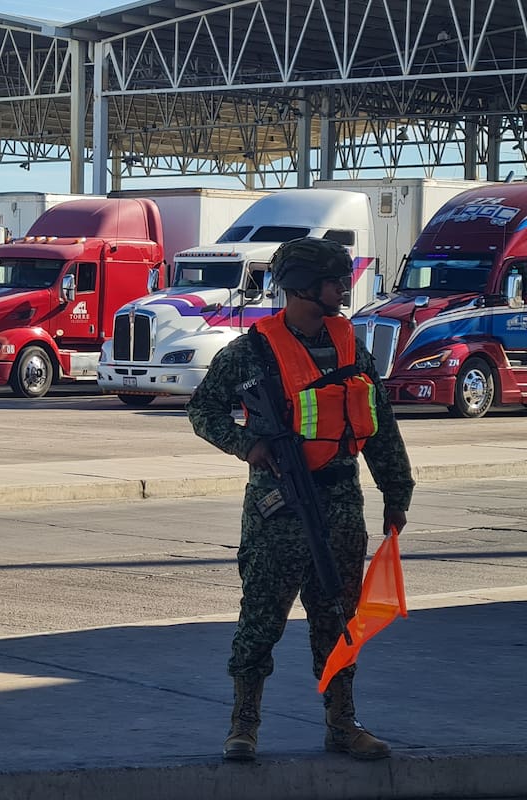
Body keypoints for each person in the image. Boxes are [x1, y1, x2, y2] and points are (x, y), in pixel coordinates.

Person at [186, 236, 414, 763]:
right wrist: (251, 445)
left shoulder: (350, 346)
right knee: (260, 623)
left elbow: (379, 423)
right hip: (277, 510)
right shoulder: (251, 352)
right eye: (335, 281)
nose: (343, 288)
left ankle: (342, 723)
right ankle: (243, 725)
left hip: (340, 505)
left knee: (338, 620)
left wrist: (396, 490)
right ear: (303, 287)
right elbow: (204, 411)